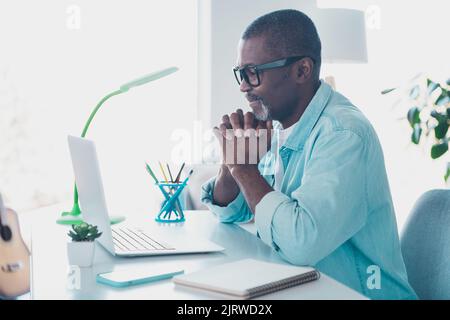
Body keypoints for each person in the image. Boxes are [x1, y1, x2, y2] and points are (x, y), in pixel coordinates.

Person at [201, 9, 417, 300]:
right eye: (240, 73)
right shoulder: (277, 125)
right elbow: (234, 212)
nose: (242, 86)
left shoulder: (343, 135)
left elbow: (300, 242)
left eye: (253, 73)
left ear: (302, 70)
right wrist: (232, 164)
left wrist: (245, 170)